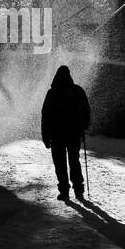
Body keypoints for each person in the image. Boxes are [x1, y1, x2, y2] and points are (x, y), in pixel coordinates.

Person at [41, 65, 91, 201]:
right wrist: (84, 126)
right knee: (74, 161)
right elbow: (86, 110)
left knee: (60, 163)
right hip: (74, 133)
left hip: (57, 135)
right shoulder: (78, 91)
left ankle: (64, 191)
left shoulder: (52, 93)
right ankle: (79, 190)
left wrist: (45, 136)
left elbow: (45, 116)